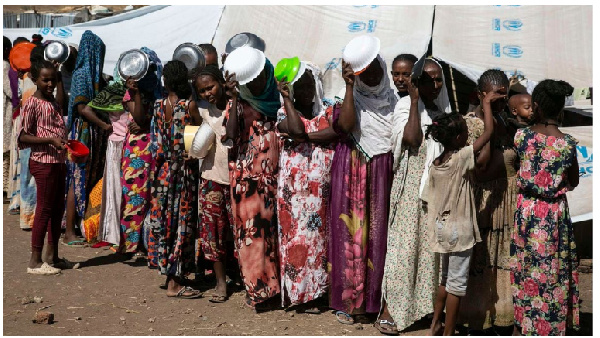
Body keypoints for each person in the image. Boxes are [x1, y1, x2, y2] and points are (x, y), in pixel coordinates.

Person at [328, 37, 397, 325]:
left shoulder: (394, 101)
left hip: (382, 169)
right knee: (352, 234)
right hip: (353, 168)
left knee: (379, 234)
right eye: (363, 74)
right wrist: (348, 87)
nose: (372, 77)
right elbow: (345, 127)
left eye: (374, 70)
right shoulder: (351, 98)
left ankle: (374, 301)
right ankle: (351, 303)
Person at [379, 58, 451, 334]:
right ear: (416, 81)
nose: (434, 84)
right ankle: (392, 309)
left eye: (438, 79)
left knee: (430, 251)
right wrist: (413, 102)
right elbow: (411, 139)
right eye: (428, 79)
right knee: (404, 248)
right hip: (411, 188)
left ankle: (425, 308)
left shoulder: (443, 110)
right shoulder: (404, 106)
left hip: (437, 188)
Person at [423, 91, 498, 335]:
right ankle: (449, 331)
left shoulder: (437, 163)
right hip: (460, 229)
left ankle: (436, 323)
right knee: (457, 285)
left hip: (442, 227)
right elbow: (487, 134)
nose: (469, 135)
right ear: (458, 138)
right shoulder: (461, 158)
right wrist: (486, 104)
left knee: (445, 279)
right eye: (466, 132)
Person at [511, 79, 580, 336]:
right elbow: (573, 181)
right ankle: (550, 325)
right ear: (561, 110)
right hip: (554, 214)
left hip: (527, 211)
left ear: (536, 106)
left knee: (526, 267)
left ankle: (524, 323)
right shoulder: (568, 144)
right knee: (553, 271)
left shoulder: (522, 136)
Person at [222, 47, 282, 311]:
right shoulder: (239, 103)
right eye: (251, 81)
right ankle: (258, 290)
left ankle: (277, 288)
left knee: (275, 234)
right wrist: (235, 99)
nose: (256, 84)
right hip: (248, 181)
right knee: (252, 236)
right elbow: (231, 136)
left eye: (259, 78)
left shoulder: (279, 96)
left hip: (278, 177)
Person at [275, 62, 337, 310]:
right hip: (295, 193)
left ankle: (318, 292)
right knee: (296, 241)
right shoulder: (283, 115)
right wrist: (287, 99)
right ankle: (299, 295)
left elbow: (336, 132)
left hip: (320, 192)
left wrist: (306, 138)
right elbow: (296, 128)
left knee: (319, 241)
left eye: (310, 84)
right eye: (300, 87)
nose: (307, 91)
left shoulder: (328, 111)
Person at [459, 70, 516, 333]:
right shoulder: (471, 124)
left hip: (504, 206)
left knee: (500, 258)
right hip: (482, 203)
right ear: (481, 97)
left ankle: (500, 316)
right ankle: (477, 318)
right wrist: (488, 114)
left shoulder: (504, 122)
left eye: (504, 100)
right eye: (495, 100)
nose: (501, 105)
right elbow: (479, 168)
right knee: (481, 260)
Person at [146, 60, 202, 298]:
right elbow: (201, 135)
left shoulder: (158, 106)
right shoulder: (189, 106)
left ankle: (168, 270)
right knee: (181, 223)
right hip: (182, 173)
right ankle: (174, 282)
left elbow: (155, 143)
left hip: (163, 173)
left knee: (165, 222)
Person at [18, 60, 76, 274]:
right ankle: (34, 261)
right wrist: (50, 140)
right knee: (44, 209)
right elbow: (23, 135)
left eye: (53, 79)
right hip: (43, 161)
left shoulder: (52, 101)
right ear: (35, 80)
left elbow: (61, 102)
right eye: (46, 80)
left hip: (58, 161)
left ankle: (52, 256)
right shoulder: (32, 103)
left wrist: (59, 76)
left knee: (56, 208)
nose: (50, 83)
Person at [192, 64, 234, 303]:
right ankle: (220, 282)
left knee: (238, 233)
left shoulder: (235, 107)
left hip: (236, 179)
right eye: (203, 90)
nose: (208, 93)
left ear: (220, 83)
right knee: (213, 234)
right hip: (211, 178)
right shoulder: (202, 110)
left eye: (211, 87)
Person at [63, 30, 109, 247]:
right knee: (77, 179)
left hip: (92, 134)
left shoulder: (95, 76)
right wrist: (104, 125)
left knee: (87, 179)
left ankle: (83, 225)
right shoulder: (82, 75)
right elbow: (82, 108)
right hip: (83, 134)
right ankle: (69, 231)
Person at [118, 47, 163, 255]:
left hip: (151, 148)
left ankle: (146, 243)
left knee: (150, 195)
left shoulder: (158, 91)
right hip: (136, 149)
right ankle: (131, 242)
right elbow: (138, 118)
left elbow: (145, 120)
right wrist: (135, 92)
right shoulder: (131, 93)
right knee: (133, 194)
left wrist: (148, 122)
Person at [3, 36, 13, 197]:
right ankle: (4, 187)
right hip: (4, 112)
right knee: (5, 152)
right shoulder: (4, 66)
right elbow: (10, 91)